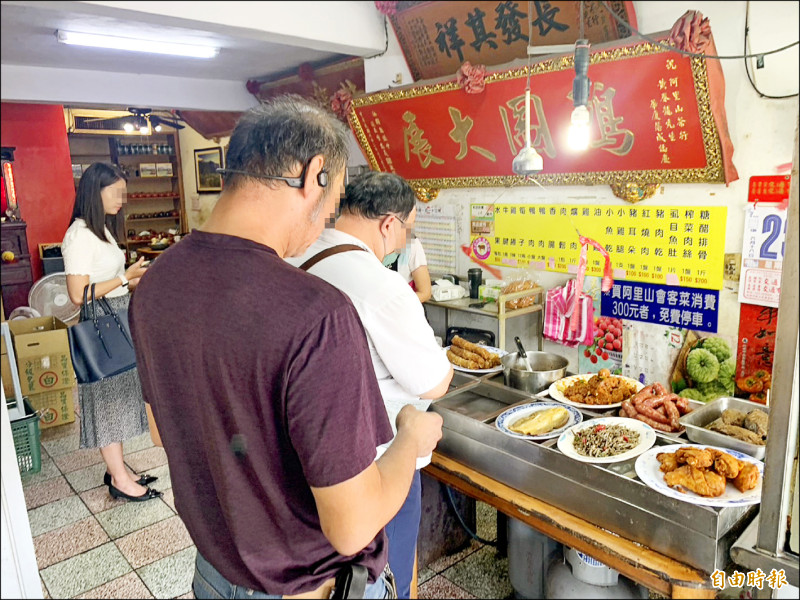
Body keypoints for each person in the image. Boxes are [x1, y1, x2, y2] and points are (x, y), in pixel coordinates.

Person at [129, 96, 443, 599]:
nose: (322, 226)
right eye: (333, 201)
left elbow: (163, 432)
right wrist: (410, 436)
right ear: (312, 173)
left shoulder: (157, 283)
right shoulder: (317, 313)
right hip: (307, 588)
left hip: (214, 574)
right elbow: (353, 526)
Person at [288, 171, 453, 598]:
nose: (403, 241)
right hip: (378, 465)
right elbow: (433, 383)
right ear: (388, 223)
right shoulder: (381, 286)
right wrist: (445, 365)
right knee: (389, 572)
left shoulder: (297, 256)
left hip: (307, 462)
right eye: (407, 229)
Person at [61, 162, 160, 502]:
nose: (122, 199)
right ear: (94, 191)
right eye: (115, 193)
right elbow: (77, 294)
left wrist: (130, 281)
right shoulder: (79, 235)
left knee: (119, 396)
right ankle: (119, 479)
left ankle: (119, 468)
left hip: (115, 317)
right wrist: (123, 278)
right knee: (106, 401)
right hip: (99, 326)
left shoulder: (100, 229)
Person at [386, 235, 432, 303]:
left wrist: (398, 305)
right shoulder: (370, 242)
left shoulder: (412, 244)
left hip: (404, 308)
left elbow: (425, 293)